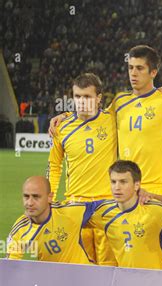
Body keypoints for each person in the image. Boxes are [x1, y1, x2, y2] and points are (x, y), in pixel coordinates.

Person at [50, 45, 162, 196]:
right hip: (126, 188)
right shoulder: (119, 101)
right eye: (130, 67)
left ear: (153, 72)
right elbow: (94, 116)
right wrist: (66, 115)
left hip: (158, 186)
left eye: (139, 68)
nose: (133, 73)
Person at [47, 73, 117, 264]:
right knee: (80, 268)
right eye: (77, 97)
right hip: (76, 206)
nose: (82, 102)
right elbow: (54, 166)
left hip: (108, 205)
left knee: (108, 268)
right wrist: (50, 198)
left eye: (87, 97)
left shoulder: (114, 120)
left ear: (99, 98)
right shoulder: (61, 128)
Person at [86, 160, 162, 270]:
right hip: (130, 282)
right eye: (113, 182)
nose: (117, 187)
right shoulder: (104, 211)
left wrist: (155, 196)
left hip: (160, 281)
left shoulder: (155, 211)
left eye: (123, 182)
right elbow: (72, 216)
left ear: (136, 185)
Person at [6, 176, 107, 265]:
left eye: (36, 197)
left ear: (49, 197)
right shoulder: (21, 229)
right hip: (53, 281)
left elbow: (103, 208)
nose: (30, 203)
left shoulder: (67, 212)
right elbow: (10, 266)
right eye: (26, 197)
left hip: (83, 276)